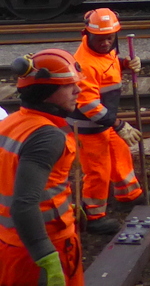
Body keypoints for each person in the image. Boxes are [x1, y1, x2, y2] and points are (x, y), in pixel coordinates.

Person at [0, 48, 85, 286]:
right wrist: (46, 258)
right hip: (43, 247)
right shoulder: (46, 136)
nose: (78, 90)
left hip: (10, 244)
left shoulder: (13, 122)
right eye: (69, 85)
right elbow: (23, 205)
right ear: (47, 92)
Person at [69, 8, 150, 234]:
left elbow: (109, 63)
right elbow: (88, 106)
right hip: (88, 127)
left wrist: (126, 64)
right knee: (98, 170)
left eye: (110, 37)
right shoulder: (84, 63)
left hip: (103, 122)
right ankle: (94, 215)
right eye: (101, 39)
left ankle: (129, 195)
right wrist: (119, 125)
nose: (106, 43)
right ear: (86, 34)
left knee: (120, 153)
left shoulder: (104, 50)